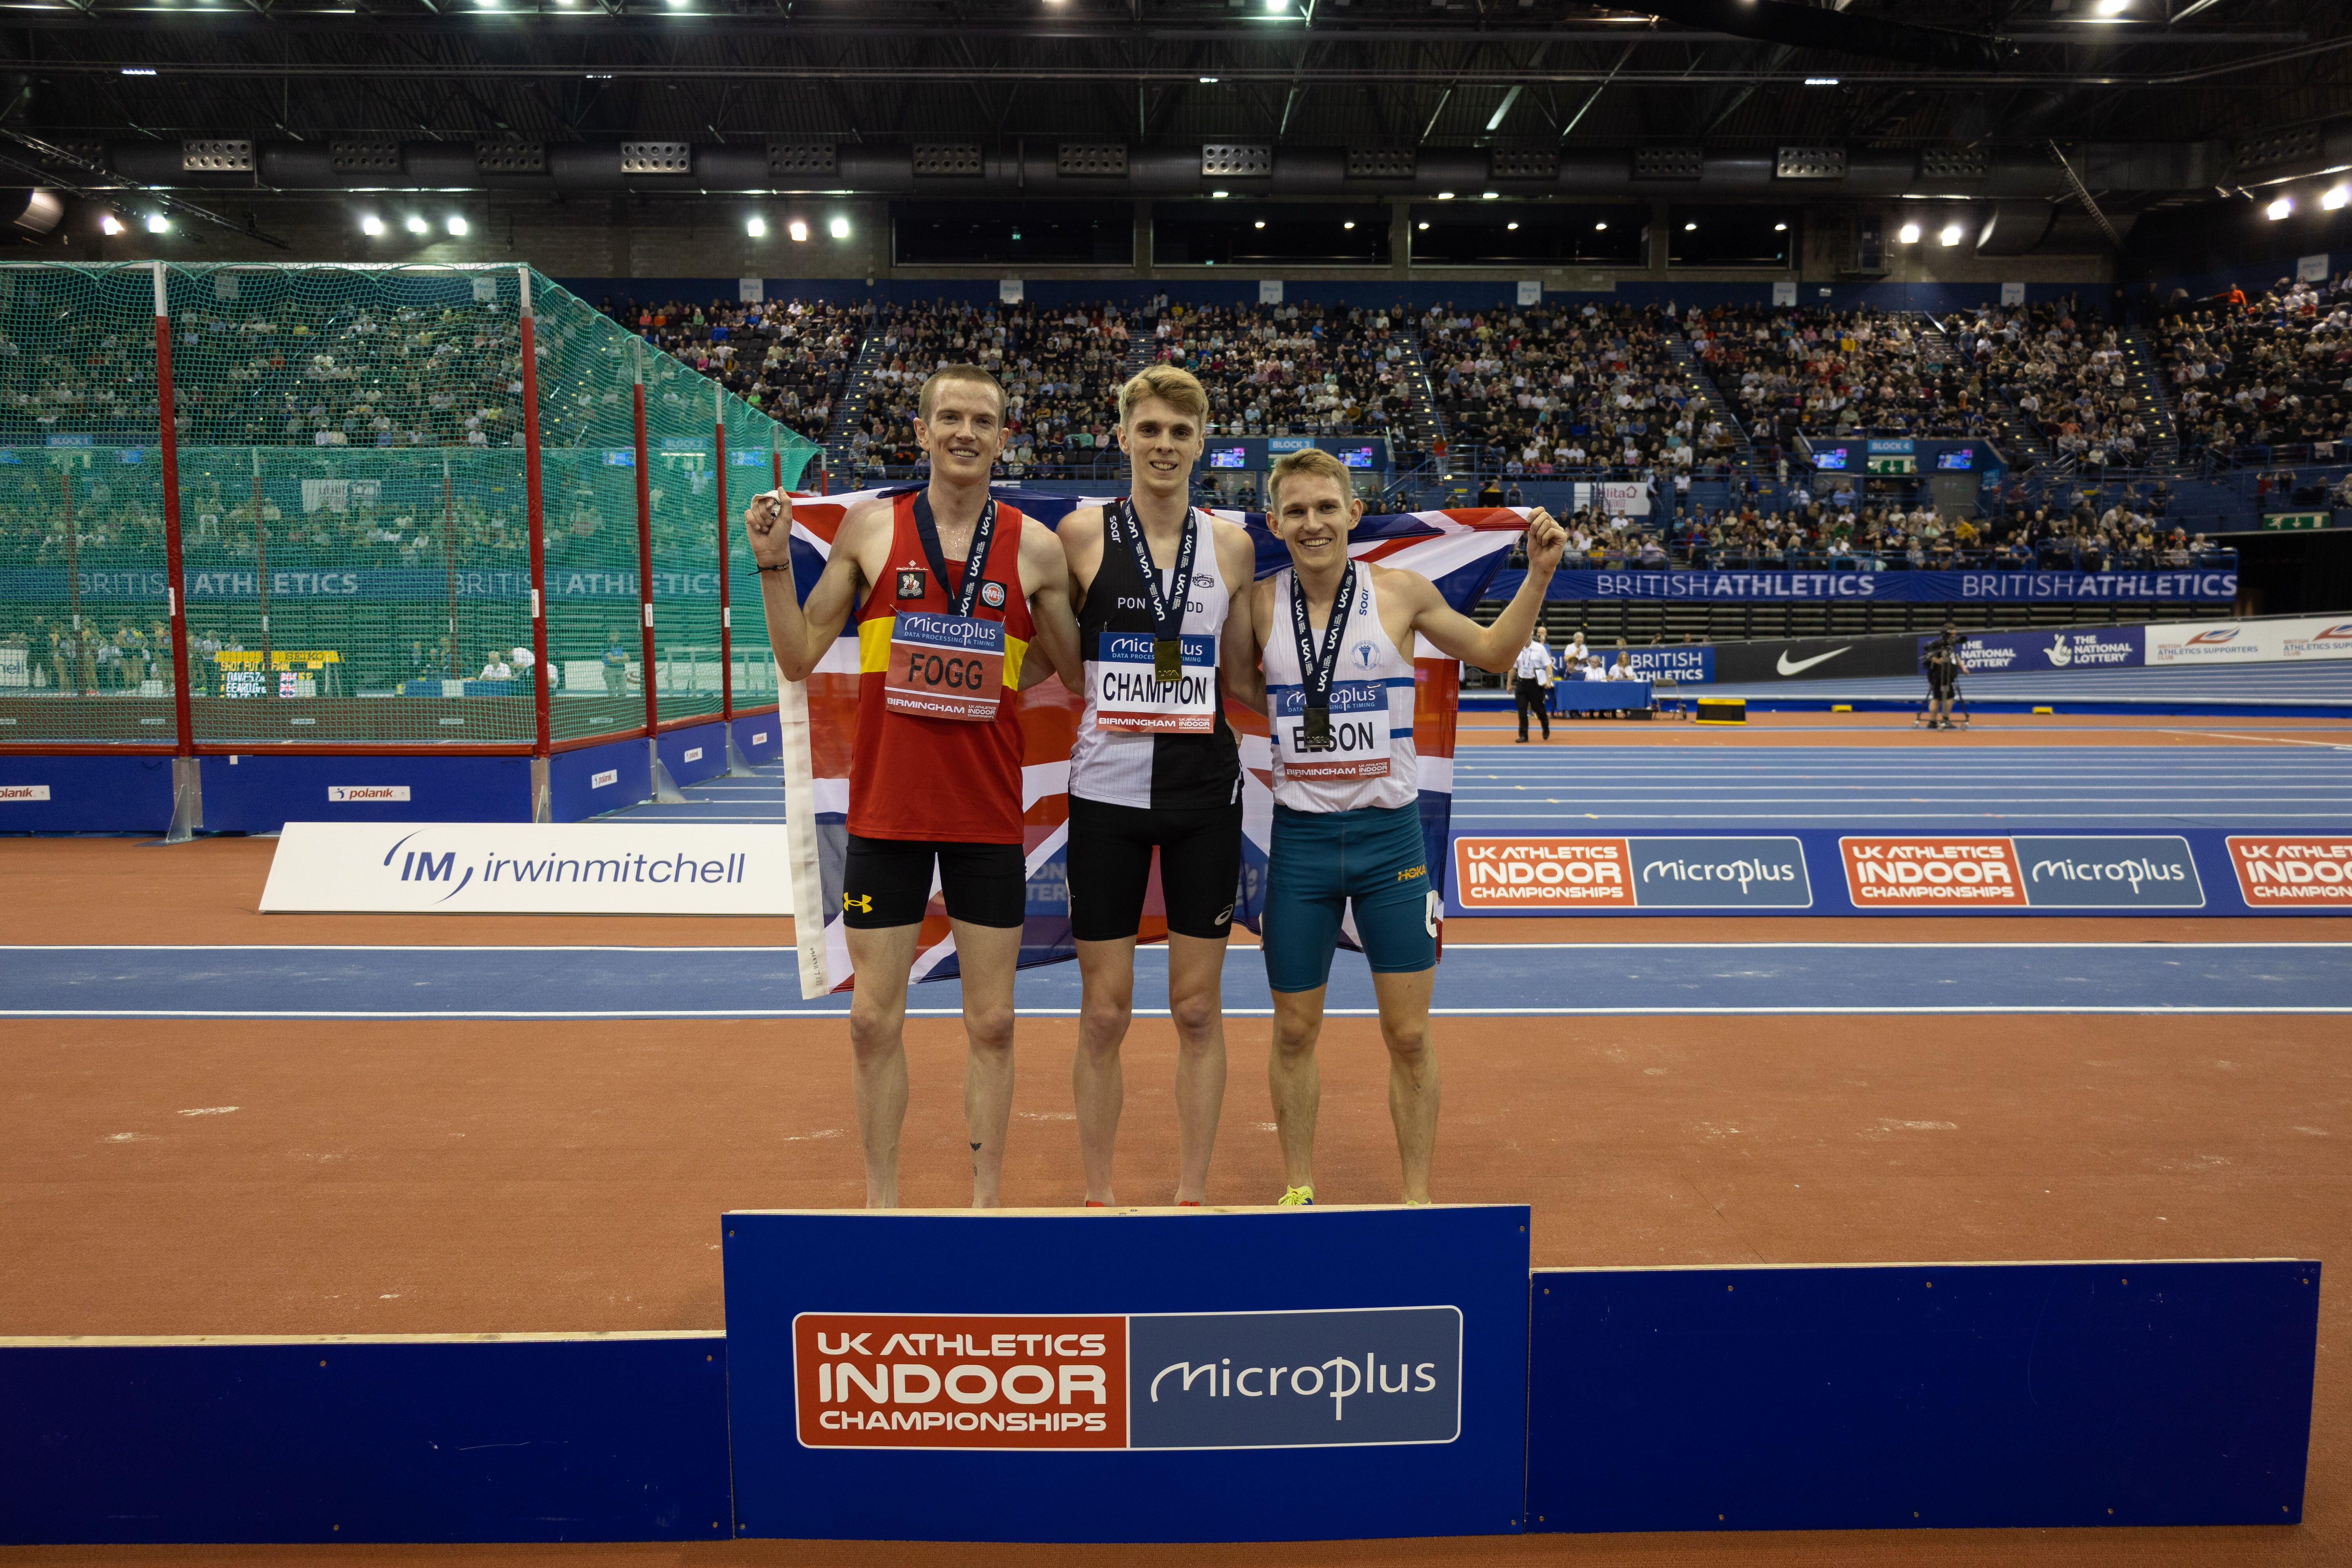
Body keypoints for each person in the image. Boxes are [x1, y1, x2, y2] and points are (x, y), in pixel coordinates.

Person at [742, 363, 1081, 1208]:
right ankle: (882, 1200)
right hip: (887, 815)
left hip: (985, 818)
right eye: (951, 417)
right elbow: (796, 657)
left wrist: (1006, 663)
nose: (967, 431)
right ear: (923, 433)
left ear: (1004, 438)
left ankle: (985, 1203)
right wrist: (774, 566)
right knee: (870, 1021)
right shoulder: (869, 529)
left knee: (993, 1023)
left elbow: (1074, 668)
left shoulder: (1035, 548)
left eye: (984, 420)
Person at [1230, 447, 1568, 1205]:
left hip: (1392, 845)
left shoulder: (1402, 593)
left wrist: (1538, 574)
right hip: (1302, 846)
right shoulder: (1256, 604)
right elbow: (1239, 682)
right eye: (1296, 511)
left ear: (1354, 513)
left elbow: (1491, 653)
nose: (1312, 523)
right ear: (1275, 523)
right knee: (1292, 1031)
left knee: (1410, 1036)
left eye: (1327, 507)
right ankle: (1298, 1188)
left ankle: (1416, 1199)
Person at [1052, 365, 1258, 1207]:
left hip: (1204, 795)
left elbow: (1245, 669)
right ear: (1124, 435)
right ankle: (1099, 1194)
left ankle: (1191, 1193)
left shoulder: (1235, 544)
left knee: (1198, 1008)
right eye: (1150, 429)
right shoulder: (1078, 534)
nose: (1165, 445)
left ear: (1201, 442)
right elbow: (1063, 663)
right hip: (1106, 792)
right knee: (1104, 1013)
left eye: (1181, 431)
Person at [1512, 626, 1553, 743]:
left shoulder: (1540, 648)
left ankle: (1545, 726)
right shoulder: (1518, 648)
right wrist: (1509, 684)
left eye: (1528, 635)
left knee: (1538, 709)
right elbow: (1513, 667)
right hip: (1521, 683)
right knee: (1522, 710)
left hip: (1535, 684)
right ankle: (1524, 735)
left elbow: (1548, 665)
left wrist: (1549, 680)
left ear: (1532, 635)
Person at [1923, 619, 1963, 730]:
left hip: (1943, 674)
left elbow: (1955, 655)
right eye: (1953, 634)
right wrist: (1941, 661)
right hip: (1939, 674)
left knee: (1937, 697)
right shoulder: (1937, 643)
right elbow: (1931, 656)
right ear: (1947, 633)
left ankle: (1933, 722)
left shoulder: (1950, 643)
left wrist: (1963, 667)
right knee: (1948, 697)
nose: (1954, 636)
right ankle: (1945, 720)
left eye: (1955, 634)